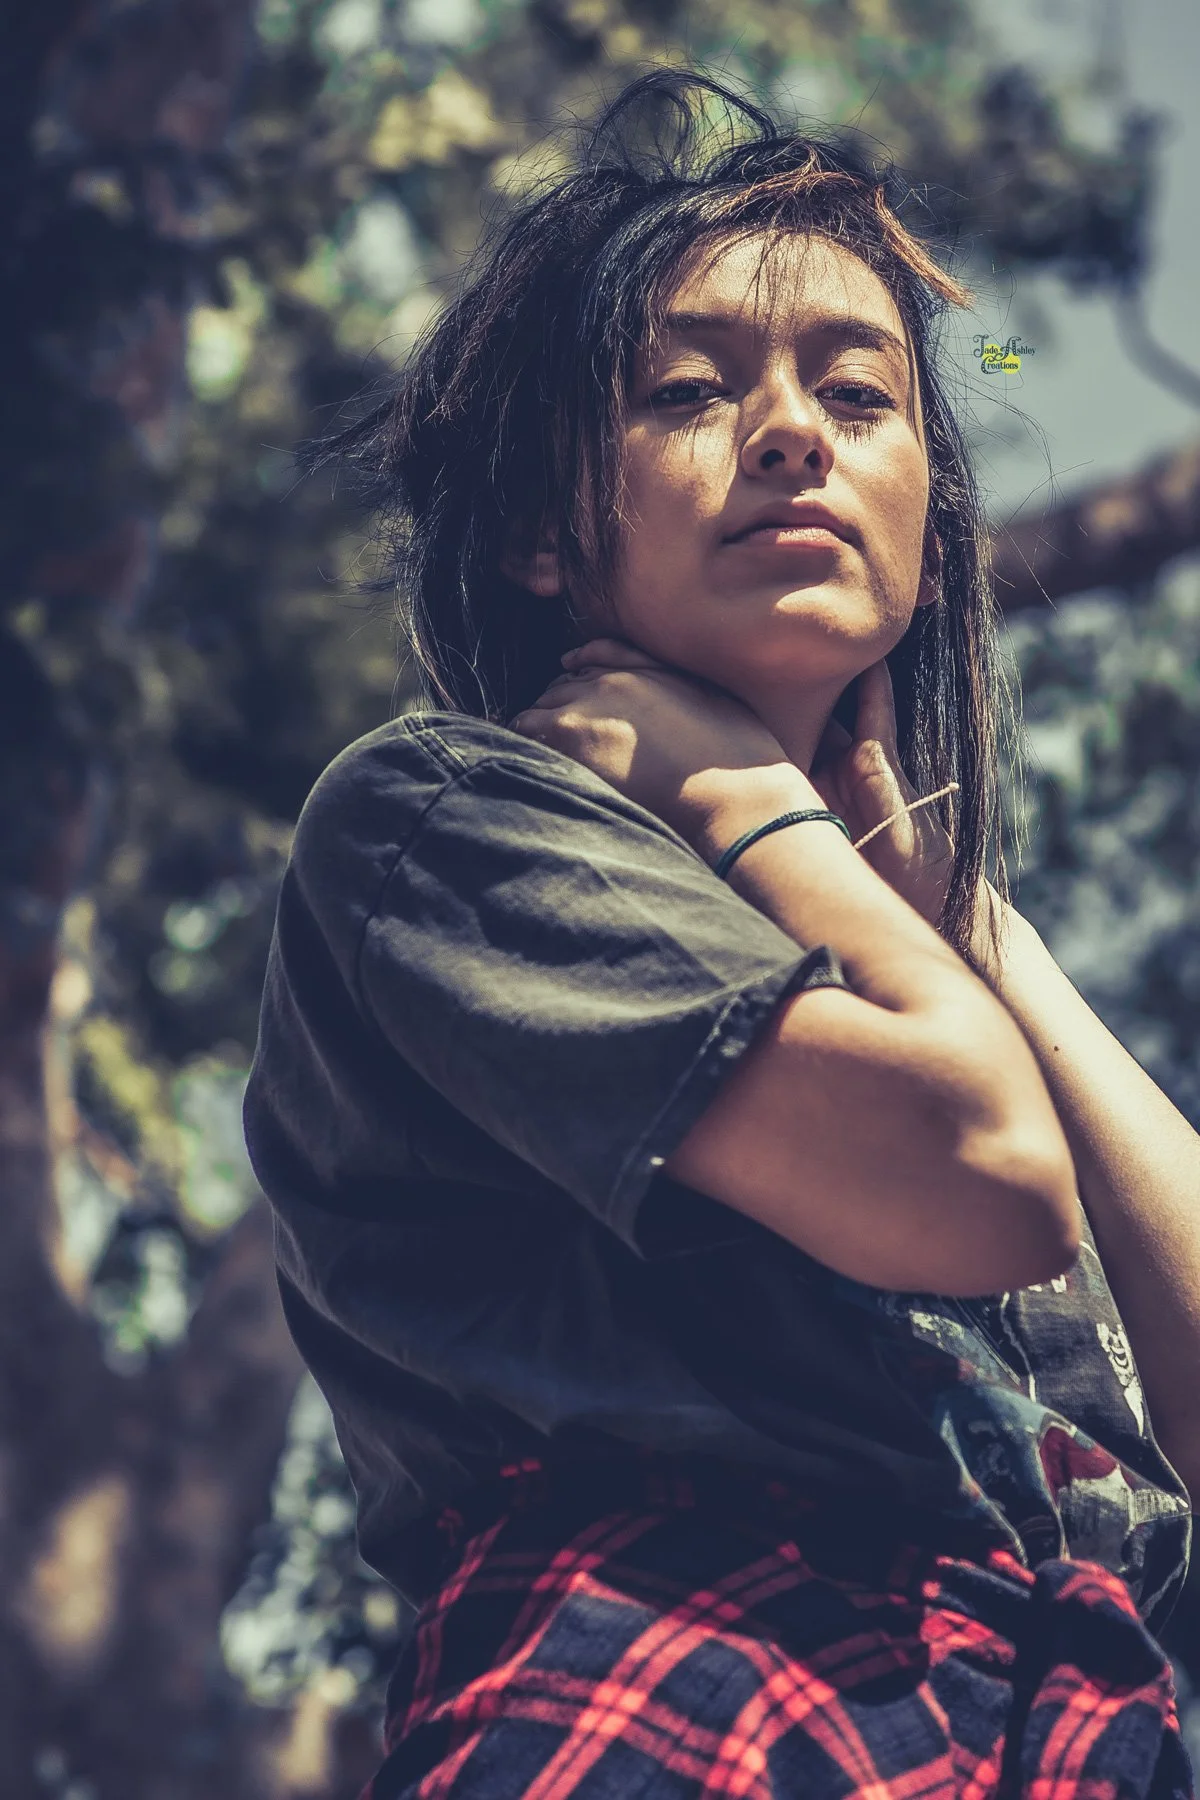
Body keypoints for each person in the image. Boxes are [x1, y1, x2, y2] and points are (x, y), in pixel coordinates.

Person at [243, 71, 1200, 1798]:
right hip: (683, 1687)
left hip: (1060, 1740)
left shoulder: (915, 954)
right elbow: (975, 1170)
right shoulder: (445, 820)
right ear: (544, 531)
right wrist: (752, 810)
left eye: (861, 392)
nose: (791, 434)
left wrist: (954, 908)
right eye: (691, 390)